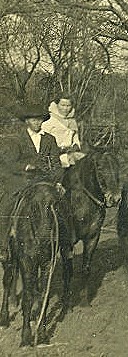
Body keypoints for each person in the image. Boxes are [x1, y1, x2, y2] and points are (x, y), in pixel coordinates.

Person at [0, 105, 64, 261]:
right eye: (33, 120)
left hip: (43, 181)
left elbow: (56, 163)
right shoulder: (16, 139)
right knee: (7, 205)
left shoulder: (49, 139)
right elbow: (8, 163)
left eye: (39, 120)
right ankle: (3, 246)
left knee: (63, 205)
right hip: (21, 180)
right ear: (27, 121)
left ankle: (64, 243)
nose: (37, 123)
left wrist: (57, 181)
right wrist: (25, 166)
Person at [41, 94, 86, 167]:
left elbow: (75, 138)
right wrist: (57, 150)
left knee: (86, 161)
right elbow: (43, 141)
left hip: (70, 152)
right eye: (62, 105)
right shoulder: (49, 120)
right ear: (56, 105)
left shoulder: (72, 121)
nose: (65, 108)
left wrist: (75, 145)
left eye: (68, 106)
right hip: (54, 155)